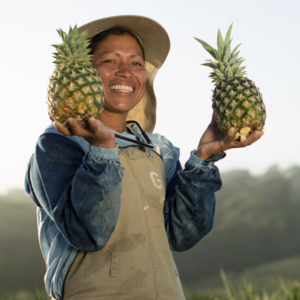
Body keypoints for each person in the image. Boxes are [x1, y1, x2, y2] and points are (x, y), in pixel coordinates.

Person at [25, 15, 263, 300]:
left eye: (136, 62)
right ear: (84, 73)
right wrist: (102, 151)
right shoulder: (56, 144)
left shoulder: (158, 148)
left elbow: (183, 235)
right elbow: (88, 233)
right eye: (111, 60)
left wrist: (203, 160)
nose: (126, 71)